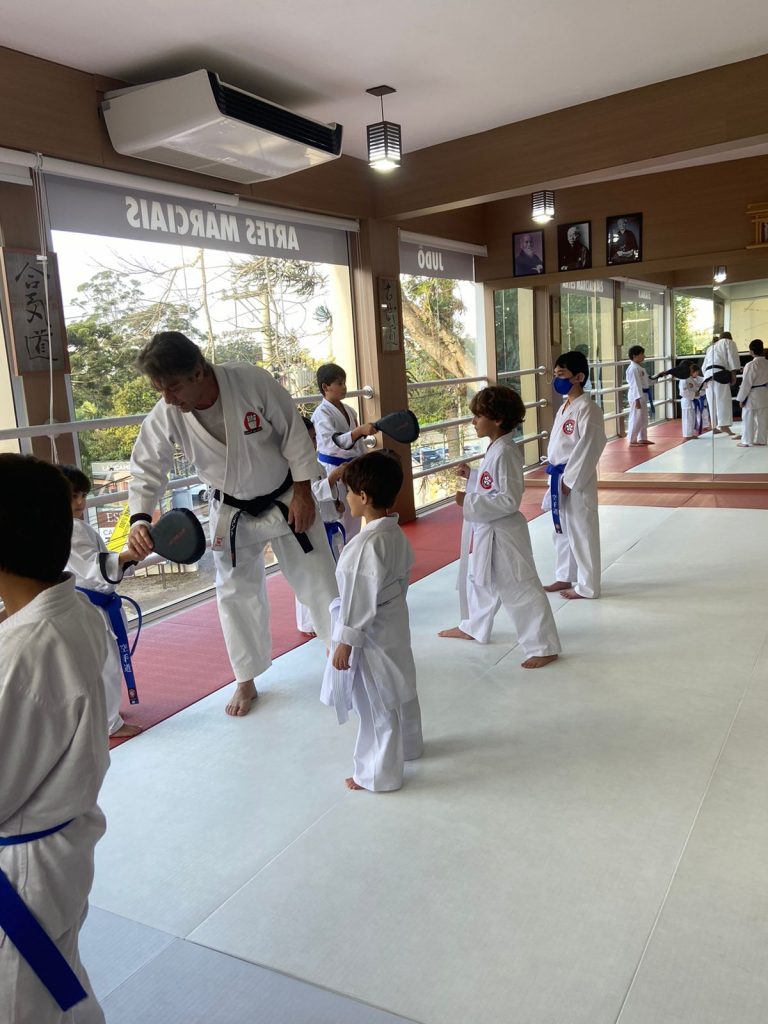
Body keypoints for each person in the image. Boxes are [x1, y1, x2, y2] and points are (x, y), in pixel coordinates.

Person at [126, 332, 338, 718]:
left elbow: (294, 432)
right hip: (232, 510)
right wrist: (140, 517)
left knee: (318, 575)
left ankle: (338, 650)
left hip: (287, 496)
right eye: (161, 390)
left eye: (173, 387)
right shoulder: (169, 412)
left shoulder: (250, 381)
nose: (169, 398)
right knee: (235, 594)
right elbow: (147, 465)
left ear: (198, 371)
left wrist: (305, 492)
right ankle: (246, 678)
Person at [0, 454, 109, 1024]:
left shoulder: (24, 654)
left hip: (20, 872)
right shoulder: (76, 614)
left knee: (23, 1001)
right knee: (56, 983)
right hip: (58, 846)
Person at [320, 451, 423, 793]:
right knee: (401, 689)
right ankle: (410, 746)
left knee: (376, 703)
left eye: (348, 492)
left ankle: (378, 774)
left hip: (371, 633)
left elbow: (356, 600)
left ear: (363, 497)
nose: (346, 498)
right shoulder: (393, 533)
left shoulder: (365, 546)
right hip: (393, 622)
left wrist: (344, 642)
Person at [437, 386, 561, 668]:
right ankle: (473, 626)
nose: (473, 422)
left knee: (520, 587)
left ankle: (544, 645)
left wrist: (467, 500)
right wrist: (472, 477)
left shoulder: (505, 452)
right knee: (481, 582)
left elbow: (508, 498)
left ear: (497, 419)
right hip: (489, 529)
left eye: (477, 416)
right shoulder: (497, 447)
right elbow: (491, 484)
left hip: (504, 533)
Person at [59, 464, 145, 739]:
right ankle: (110, 724)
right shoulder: (69, 529)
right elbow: (90, 565)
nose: (81, 502)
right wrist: (124, 557)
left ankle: (105, 715)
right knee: (105, 663)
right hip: (90, 606)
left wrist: (127, 558)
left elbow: (101, 564)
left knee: (99, 663)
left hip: (91, 604)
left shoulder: (75, 527)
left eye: (83, 494)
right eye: (73, 496)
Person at [543, 351, 607, 600]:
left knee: (582, 530)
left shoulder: (589, 409)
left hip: (576, 478)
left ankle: (588, 586)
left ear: (579, 377)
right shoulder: (565, 407)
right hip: (558, 475)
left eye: (562, 375)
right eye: (555, 375)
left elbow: (589, 447)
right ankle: (564, 575)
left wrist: (570, 481)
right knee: (561, 529)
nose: (556, 380)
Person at [311, 362, 378, 543]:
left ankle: (352, 553)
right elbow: (335, 443)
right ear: (325, 387)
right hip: (333, 468)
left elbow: (357, 444)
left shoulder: (349, 410)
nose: (344, 387)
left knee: (355, 514)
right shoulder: (321, 414)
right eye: (339, 383)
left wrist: (364, 461)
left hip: (353, 467)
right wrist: (360, 431)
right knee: (341, 518)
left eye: (344, 383)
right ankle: (341, 561)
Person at [295, 417, 347, 635]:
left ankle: (329, 615)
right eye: (308, 439)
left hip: (327, 524)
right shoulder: (291, 470)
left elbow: (323, 494)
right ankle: (308, 622)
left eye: (315, 437)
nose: (314, 442)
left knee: (329, 574)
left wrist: (335, 503)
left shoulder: (315, 464)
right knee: (310, 576)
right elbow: (307, 495)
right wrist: (332, 479)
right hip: (309, 528)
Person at [702, 330, 740, 435]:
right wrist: (733, 373)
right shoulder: (728, 342)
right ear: (729, 337)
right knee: (723, 399)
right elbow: (732, 358)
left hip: (708, 375)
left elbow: (703, 366)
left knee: (712, 400)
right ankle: (724, 426)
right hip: (719, 373)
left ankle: (714, 426)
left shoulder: (711, 347)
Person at [736, 338, 768, 447]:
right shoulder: (767, 363)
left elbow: (746, 383)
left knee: (748, 418)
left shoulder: (751, 365)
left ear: (752, 352)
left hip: (752, 394)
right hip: (764, 393)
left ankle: (746, 441)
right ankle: (761, 440)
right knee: (762, 419)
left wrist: (741, 398)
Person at [625, 345, 654, 446]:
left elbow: (648, 381)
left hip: (643, 394)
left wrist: (658, 376)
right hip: (636, 395)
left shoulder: (639, 368)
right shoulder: (633, 369)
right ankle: (632, 440)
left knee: (643, 417)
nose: (644, 356)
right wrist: (637, 400)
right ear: (634, 356)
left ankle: (642, 438)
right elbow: (635, 385)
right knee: (636, 418)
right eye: (641, 354)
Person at [679, 363, 704, 438]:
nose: (697, 374)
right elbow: (683, 392)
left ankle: (690, 433)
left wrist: (697, 392)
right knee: (688, 419)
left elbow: (698, 385)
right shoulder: (684, 379)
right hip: (687, 401)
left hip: (692, 401)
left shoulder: (691, 378)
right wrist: (694, 394)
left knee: (692, 418)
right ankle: (687, 435)